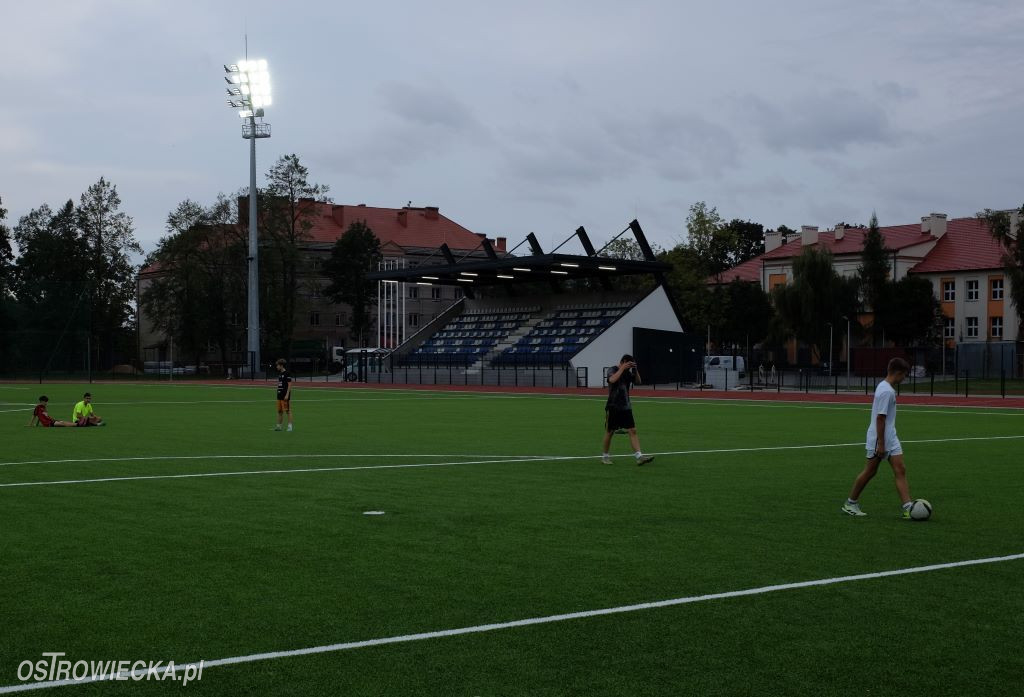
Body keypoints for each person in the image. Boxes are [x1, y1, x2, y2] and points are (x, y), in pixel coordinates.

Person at [842, 357, 913, 519]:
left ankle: (908, 507)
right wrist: (881, 444)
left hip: (891, 436)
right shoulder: (886, 391)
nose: (904, 379)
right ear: (898, 373)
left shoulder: (886, 387)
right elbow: (880, 418)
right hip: (879, 438)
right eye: (904, 375)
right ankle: (850, 503)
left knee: (900, 469)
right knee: (870, 471)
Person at [601, 354, 654, 465]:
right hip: (613, 406)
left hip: (626, 407)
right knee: (610, 432)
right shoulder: (613, 369)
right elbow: (612, 380)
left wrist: (635, 370)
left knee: (632, 430)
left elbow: (638, 382)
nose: (629, 367)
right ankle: (605, 456)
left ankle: (639, 456)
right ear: (624, 361)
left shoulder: (628, 372)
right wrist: (622, 368)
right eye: (629, 364)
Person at [275, 358, 293, 432]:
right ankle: (279, 426)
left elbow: (289, 385)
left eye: (278, 365)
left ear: (281, 366)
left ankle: (290, 426)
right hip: (279, 395)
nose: (277, 367)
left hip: (285, 396)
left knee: (287, 411)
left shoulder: (287, 373)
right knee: (280, 411)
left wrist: (287, 394)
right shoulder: (280, 374)